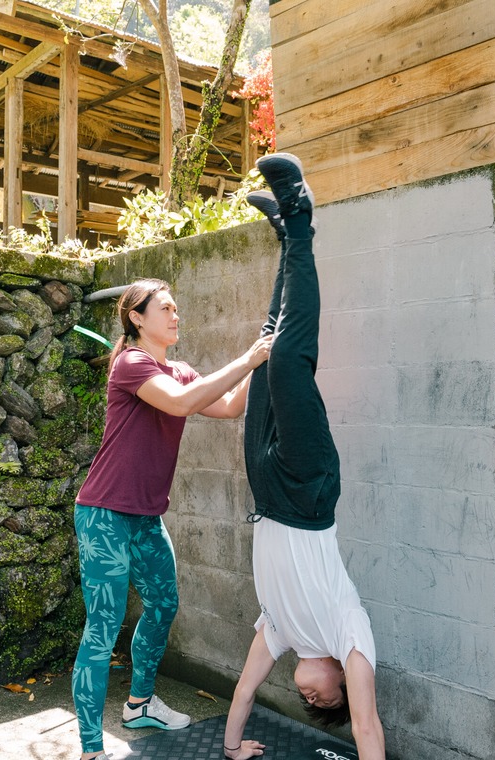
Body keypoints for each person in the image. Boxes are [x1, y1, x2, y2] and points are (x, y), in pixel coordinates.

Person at [222, 153, 385, 760]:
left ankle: (285, 241)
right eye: (325, 702)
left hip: (266, 493)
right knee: (292, 358)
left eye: (310, 706)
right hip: (309, 492)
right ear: (344, 681)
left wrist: (234, 747)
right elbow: (368, 729)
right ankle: (300, 217)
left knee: (268, 348)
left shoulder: (280, 632)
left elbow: (243, 689)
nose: (311, 699)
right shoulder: (351, 634)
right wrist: (359, 725)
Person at [72, 278, 273, 760]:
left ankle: (139, 704)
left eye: (176, 307)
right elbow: (182, 403)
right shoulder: (131, 363)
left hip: (144, 517)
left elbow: (225, 406)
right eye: (165, 308)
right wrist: (247, 358)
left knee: (163, 603)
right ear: (137, 318)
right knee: (104, 625)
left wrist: (265, 361)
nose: (175, 314)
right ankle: (91, 749)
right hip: (104, 515)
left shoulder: (178, 369)